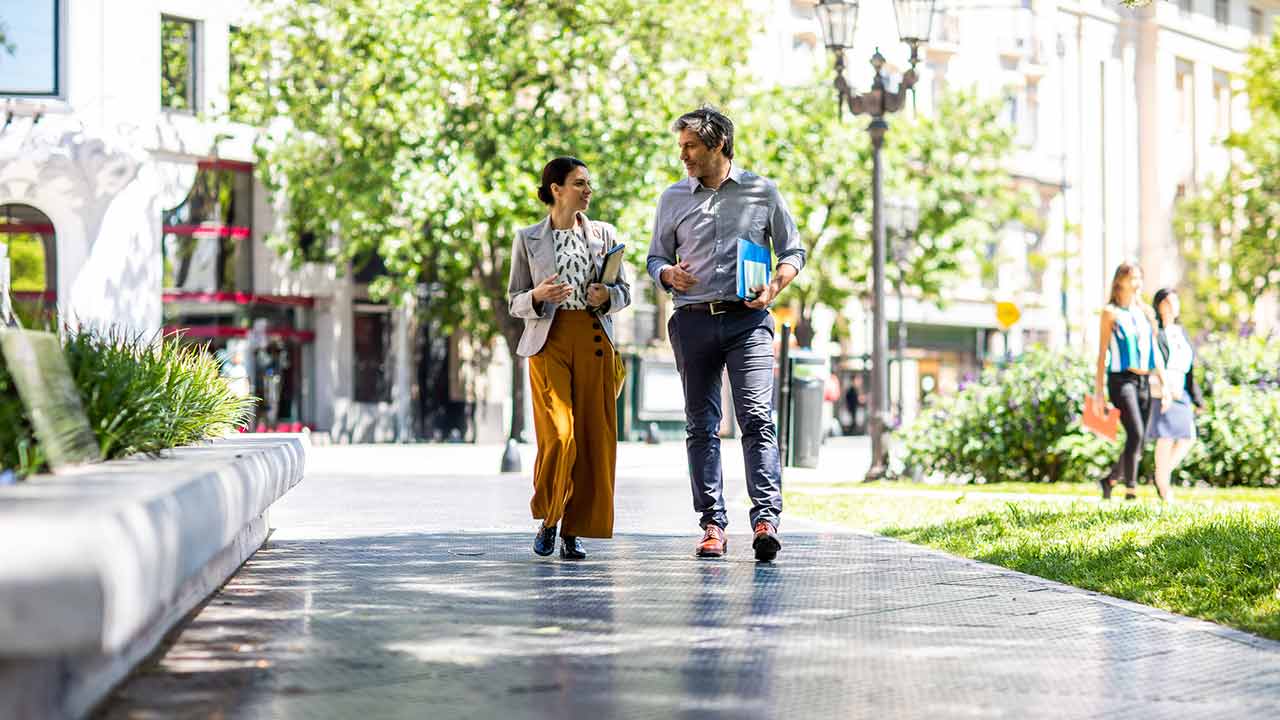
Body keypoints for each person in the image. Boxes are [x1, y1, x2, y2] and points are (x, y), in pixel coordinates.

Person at [646, 106, 806, 561]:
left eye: (690, 146)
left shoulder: (761, 191)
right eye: (681, 147)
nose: (683, 156)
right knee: (701, 425)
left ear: (717, 145)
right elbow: (655, 258)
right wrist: (666, 276)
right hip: (693, 320)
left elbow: (793, 249)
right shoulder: (672, 198)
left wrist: (776, 284)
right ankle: (713, 523)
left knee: (757, 416)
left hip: (747, 321)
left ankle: (765, 521)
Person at [508, 156, 631, 559]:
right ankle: (549, 518)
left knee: (593, 440)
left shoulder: (604, 234)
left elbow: (624, 293)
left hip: (595, 341)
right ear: (556, 189)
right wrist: (537, 297)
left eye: (589, 183)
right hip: (549, 342)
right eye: (579, 183)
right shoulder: (527, 238)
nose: (588, 190)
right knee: (560, 436)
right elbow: (514, 301)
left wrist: (608, 296)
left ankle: (572, 531)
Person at [1093, 262, 1169, 500]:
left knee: (1141, 437)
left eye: (1139, 278)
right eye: (1132, 278)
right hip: (1120, 379)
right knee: (1135, 432)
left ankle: (1110, 479)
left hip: (1144, 379)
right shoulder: (1110, 312)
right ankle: (1131, 490)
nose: (1137, 283)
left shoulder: (1145, 313)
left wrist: (1164, 384)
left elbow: (1155, 352)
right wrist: (1098, 392)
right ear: (1120, 282)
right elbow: (1102, 351)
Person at [1149, 287, 1203, 502]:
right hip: (1163, 389)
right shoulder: (1156, 331)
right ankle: (1164, 488)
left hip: (1182, 390)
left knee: (1188, 437)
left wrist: (1197, 398)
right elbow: (1156, 361)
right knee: (1166, 436)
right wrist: (1164, 388)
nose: (1173, 306)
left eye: (1176, 301)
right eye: (1169, 302)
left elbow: (1190, 369)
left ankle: (1161, 476)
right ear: (1160, 305)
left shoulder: (1181, 332)